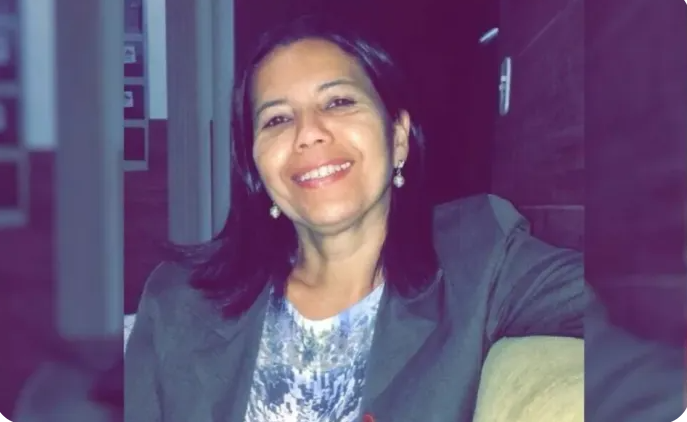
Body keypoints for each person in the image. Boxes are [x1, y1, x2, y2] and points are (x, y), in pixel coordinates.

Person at [124, 14, 684, 422]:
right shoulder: (176, 301)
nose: (309, 132)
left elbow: (631, 351)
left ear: (397, 138)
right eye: (276, 119)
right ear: (254, 166)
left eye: (338, 101)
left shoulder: (481, 256)